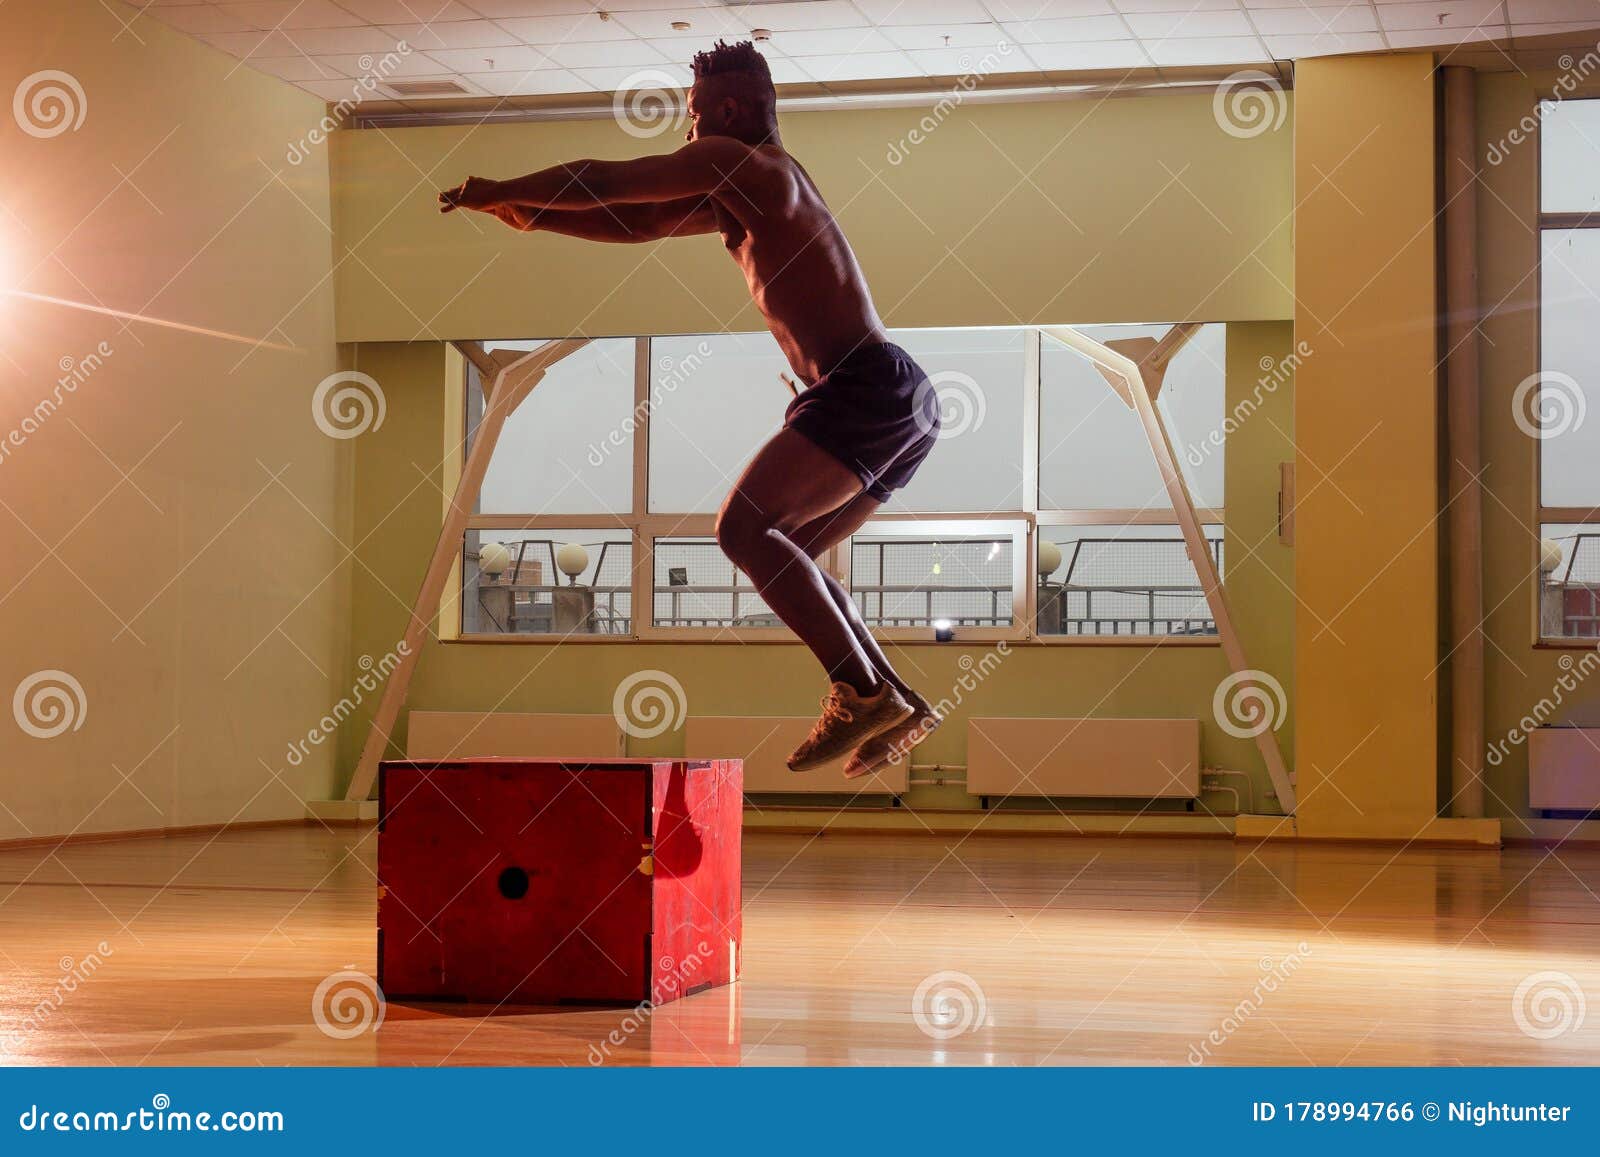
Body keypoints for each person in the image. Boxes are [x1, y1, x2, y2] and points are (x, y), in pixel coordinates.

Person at [439, 40, 940, 777]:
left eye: (694, 116)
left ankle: (863, 691)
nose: (686, 134)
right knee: (788, 552)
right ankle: (895, 696)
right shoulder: (754, 183)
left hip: (863, 386)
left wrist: (498, 186)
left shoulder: (744, 165)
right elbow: (638, 222)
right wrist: (535, 216)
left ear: (730, 113)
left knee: (743, 527)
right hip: (899, 398)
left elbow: (607, 178)